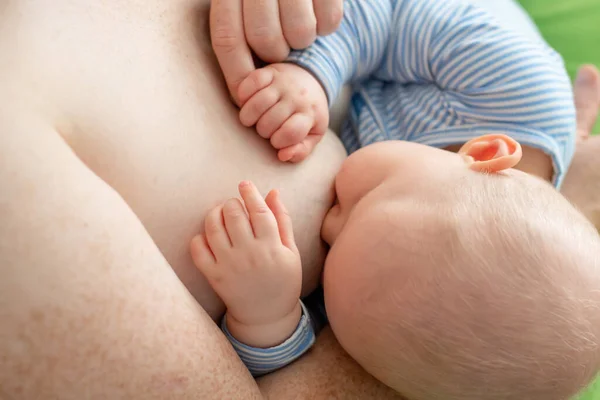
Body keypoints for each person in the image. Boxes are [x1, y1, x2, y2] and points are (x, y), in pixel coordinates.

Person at [0, 0, 599, 399]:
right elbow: (388, 10)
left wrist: (270, 314)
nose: (329, 229)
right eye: (368, 199)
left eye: (328, 262)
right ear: (486, 154)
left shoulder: (410, 301)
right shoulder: (520, 89)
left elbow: (282, 362)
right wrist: (317, 72)